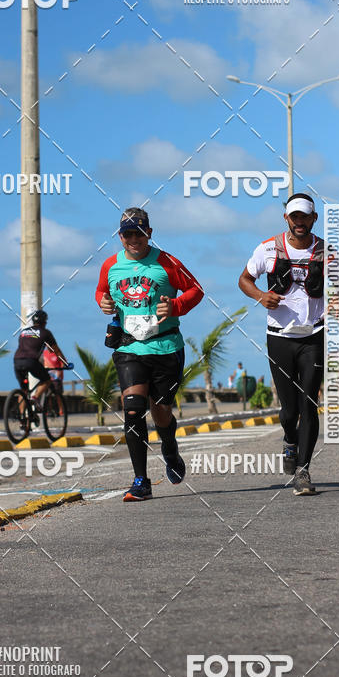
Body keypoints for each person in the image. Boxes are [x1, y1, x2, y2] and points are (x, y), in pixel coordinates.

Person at [96, 208, 204, 501]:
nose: (134, 238)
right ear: (120, 236)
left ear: (149, 233)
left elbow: (195, 290)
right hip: (129, 348)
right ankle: (141, 481)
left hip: (166, 348)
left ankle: (169, 447)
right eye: (128, 233)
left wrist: (176, 307)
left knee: (161, 412)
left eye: (139, 232)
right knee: (132, 408)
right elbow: (101, 293)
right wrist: (104, 303)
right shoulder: (110, 266)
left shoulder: (167, 263)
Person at [238, 193, 325, 496]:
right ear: (286, 218)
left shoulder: (328, 252)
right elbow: (244, 279)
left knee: (309, 403)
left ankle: (303, 470)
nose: (300, 222)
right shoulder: (268, 249)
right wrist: (261, 296)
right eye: (294, 217)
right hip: (279, 337)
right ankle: (290, 439)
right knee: (289, 410)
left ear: (314, 219)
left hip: (314, 336)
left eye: (305, 217)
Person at [14, 310, 69, 402]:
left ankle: (21, 415)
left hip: (17, 361)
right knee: (47, 380)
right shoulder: (45, 332)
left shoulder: (23, 332)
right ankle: (35, 398)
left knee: (24, 390)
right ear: (44, 322)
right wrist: (65, 363)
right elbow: (56, 350)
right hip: (31, 361)